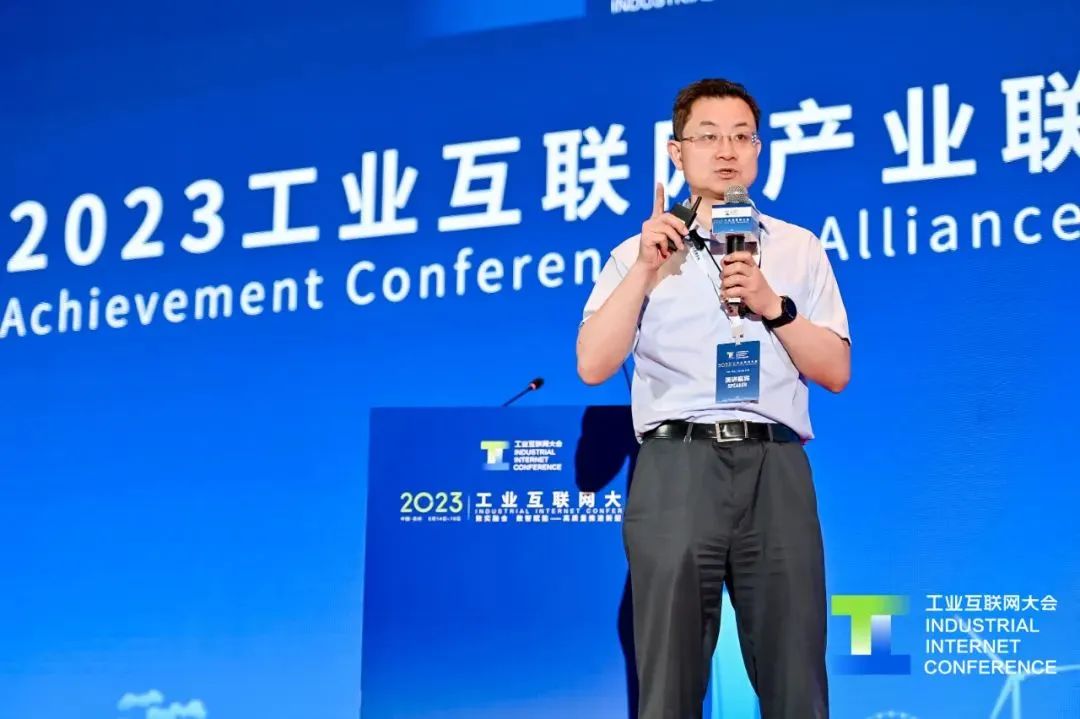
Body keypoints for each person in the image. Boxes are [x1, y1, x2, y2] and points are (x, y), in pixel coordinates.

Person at [576, 78, 851, 719]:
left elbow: (836, 371)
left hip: (775, 464)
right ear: (677, 153)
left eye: (741, 137)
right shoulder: (637, 254)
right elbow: (592, 365)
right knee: (669, 683)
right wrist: (645, 269)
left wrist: (771, 304)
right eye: (708, 137)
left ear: (758, 150)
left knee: (796, 678)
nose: (726, 151)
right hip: (678, 465)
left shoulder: (797, 247)